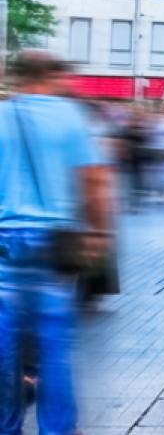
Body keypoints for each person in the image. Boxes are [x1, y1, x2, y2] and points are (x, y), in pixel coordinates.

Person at [0, 51, 115, 435]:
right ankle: (58, 429)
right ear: (49, 76)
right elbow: (94, 181)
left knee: (4, 345)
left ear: (17, 78)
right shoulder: (70, 116)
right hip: (54, 243)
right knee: (53, 345)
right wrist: (99, 232)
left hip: (5, 242)